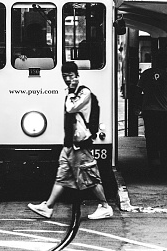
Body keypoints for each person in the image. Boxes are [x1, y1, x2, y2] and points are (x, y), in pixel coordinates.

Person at [28, 61, 113, 220]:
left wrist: (71, 91)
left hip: (80, 145)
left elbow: (71, 108)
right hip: (69, 145)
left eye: (71, 76)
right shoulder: (71, 92)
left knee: (90, 177)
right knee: (62, 176)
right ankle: (48, 207)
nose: (67, 79)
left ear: (77, 76)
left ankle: (105, 206)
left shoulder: (83, 92)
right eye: (65, 76)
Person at [136, 50, 167, 173]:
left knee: (151, 137)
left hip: (149, 110)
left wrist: (138, 107)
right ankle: (165, 162)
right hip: (164, 111)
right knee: (164, 137)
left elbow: (138, 91)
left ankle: (153, 162)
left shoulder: (146, 74)